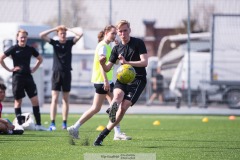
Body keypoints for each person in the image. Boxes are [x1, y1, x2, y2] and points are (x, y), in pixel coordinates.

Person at [67, 25, 131, 140]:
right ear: (106, 33)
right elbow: (102, 65)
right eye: (113, 33)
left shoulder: (106, 46)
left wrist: (117, 49)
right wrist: (106, 81)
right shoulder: (103, 47)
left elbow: (114, 63)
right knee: (112, 107)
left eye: (115, 34)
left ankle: (75, 127)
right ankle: (117, 133)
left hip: (102, 81)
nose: (115, 35)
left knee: (99, 108)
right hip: (103, 81)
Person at [93, 20, 148, 146]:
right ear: (117, 32)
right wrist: (102, 63)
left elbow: (144, 62)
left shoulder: (138, 43)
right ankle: (112, 108)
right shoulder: (116, 48)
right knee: (117, 97)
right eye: (120, 31)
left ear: (129, 30)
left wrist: (127, 62)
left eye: (125, 30)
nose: (123, 33)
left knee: (123, 107)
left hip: (138, 79)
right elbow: (107, 68)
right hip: (122, 78)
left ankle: (102, 135)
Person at [0, 29, 46, 131]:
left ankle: (39, 125)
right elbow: (1, 58)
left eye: (24, 37)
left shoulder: (30, 49)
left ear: (27, 38)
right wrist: (9, 69)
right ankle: (19, 125)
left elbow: (40, 59)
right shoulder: (13, 48)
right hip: (17, 78)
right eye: (21, 37)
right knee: (18, 101)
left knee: (35, 101)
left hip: (28, 77)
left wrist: (34, 68)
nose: (23, 39)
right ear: (17, 38)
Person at [39, 25, 83, 130]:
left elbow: (80, 34)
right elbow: (41, 35)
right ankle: (52, 123)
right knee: (54, 98)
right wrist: (55, 28)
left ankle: (64, 123)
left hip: (67, 73)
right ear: (58, 35)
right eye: (61, 33)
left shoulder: (69, 42)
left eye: (64, 33)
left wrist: (68, 29)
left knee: (65, 99)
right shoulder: (55, 43)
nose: (63, 35)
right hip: (56, 73)